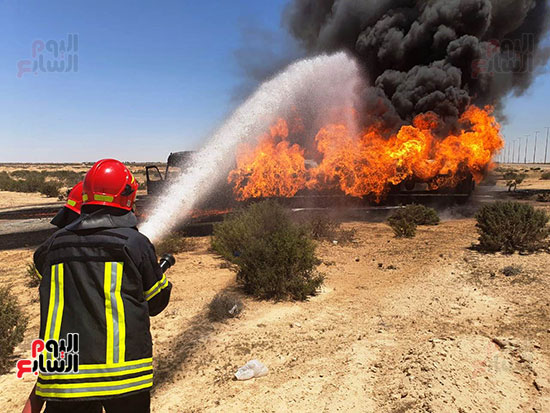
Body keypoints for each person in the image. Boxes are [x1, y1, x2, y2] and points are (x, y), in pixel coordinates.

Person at [24, 159, 172, 413]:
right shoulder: (134, 243)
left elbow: (48, 275)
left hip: (63, 376)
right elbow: (156, 302)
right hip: (122, 377)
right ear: (126, 197)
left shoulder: (52, 246)